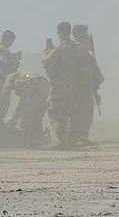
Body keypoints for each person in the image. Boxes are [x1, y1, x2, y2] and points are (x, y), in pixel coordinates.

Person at [42, 21, 81, 149]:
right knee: (69, 113)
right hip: (72, 84)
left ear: (61, 32)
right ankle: (71, 140)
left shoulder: (61, 48)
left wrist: (47, 52)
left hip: (59, 85)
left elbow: (47, 62)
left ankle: (60, 141)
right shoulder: (75, 47)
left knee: (55, 112)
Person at [71, 24, 103, 147]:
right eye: (84, 33)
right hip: (78, 87)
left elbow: (93, 72)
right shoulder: (77, 48)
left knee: (87, 113)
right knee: (79, 113)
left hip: (86, 87)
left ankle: (83, 136)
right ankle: (76, 137)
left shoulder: (83, 50)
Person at [0, 30, 21, 139]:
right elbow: (1, 67)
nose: (11, 44)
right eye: (11, 41)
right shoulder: (2, 50)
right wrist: (14, 61)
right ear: (7, 39)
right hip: (0, 84)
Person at [7, 72, 50, 148]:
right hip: (45, 92)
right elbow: (23, 102)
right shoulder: (27, 78)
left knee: (27, 118)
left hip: (36, 90)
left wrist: (14, 118)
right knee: (36, 119)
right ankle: (37, 140)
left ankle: (27, 141)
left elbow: (23, 103)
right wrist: (15, 117)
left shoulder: (17, 80)